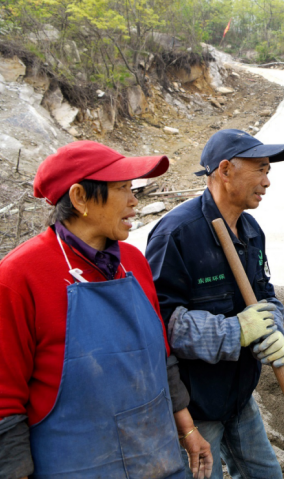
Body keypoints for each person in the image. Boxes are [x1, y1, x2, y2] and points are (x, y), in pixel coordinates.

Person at [0, 141, 213, 479]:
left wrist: (187, 430)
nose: (134, 201)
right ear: (80, 198)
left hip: (157, 459)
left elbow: (162, 357)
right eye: (122, 189)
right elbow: (5, 400)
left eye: (133, 189)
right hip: (76, 466)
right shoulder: (19, 276)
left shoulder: (133, 262)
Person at [145, 129, 284, 479]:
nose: (267, 181)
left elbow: (265, 296)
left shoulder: (251, 230)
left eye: (268, 170)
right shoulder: (176, 234)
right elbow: (159, 323)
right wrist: (235, 330)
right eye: (260, 169)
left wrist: (274, 329)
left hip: (239, 398)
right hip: (195, 407)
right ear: (225, 170)